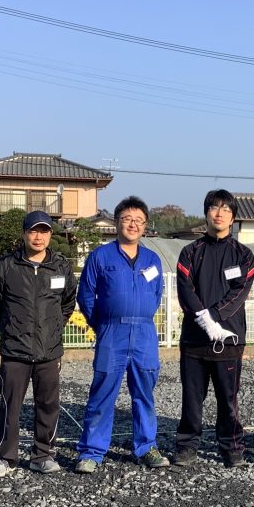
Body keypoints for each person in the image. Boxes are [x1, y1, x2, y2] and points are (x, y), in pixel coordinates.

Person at [74, 196, 167, 473]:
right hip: (111, 331)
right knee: (102, 392)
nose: (133, 224)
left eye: (139, 220)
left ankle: (147, 447)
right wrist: (101, 324)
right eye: (127, 219)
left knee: (144, 393)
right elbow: (86, 295)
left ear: (145, 226)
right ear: (117, 223)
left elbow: (156, 294)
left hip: (144, 333)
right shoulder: (100, 257)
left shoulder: (152, 259)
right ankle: (91, 452)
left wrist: (141, 314)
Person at [0, 210, 78, 478]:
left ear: (50, 234)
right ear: (24, 233)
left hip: (49, 350)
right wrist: (9, 330)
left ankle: (43, 455)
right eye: (33, 231)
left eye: (44, 231)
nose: (38, 236)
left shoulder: (60, 266)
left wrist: (53, 328)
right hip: (15, 350)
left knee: (48, 405)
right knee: (10, 406)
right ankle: (5, 458)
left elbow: (68, 302)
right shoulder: (6, 265)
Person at [174, 189, 254, 468]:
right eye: (214, 207)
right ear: (206, 212)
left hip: (229, 339)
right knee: (192, 397)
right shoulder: (190, 251)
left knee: (228, 398)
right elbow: (185, 290)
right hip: (194, 339)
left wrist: (215, 316)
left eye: (226, 209)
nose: (219, 213)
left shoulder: (243, 255)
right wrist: (203, 319)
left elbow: (240, 291)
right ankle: (187, 445)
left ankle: (231, 447)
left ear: (233, 217)